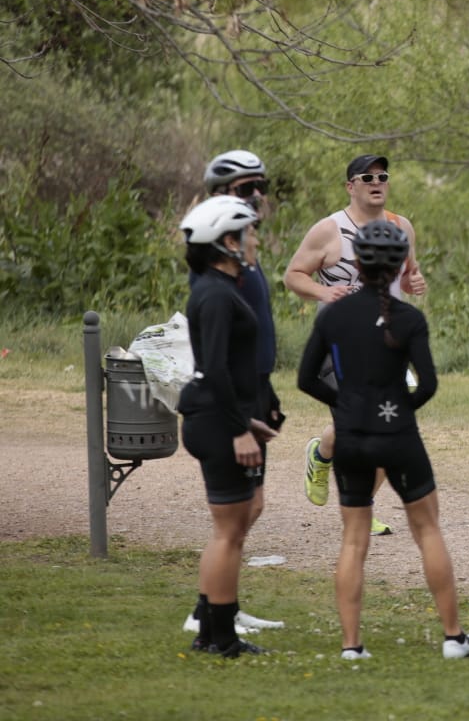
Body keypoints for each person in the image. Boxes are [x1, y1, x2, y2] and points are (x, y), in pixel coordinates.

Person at [296, 219, 469, 661]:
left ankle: (351, 646)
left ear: (356, 262)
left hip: (352, 438)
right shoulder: (409, 318)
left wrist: (344, 410)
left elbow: (306, 379)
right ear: (401, 267)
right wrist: (398, 411)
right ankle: (453, 638)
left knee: (354, 539)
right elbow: (429, 385)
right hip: (398, 436)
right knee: (428, 530)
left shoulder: (333, 314)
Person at [284, 153, 427, 536]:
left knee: (387, 423)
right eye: (368, 177)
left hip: (387, 341)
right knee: (359, 422)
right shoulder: (328, 230)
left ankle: (364, 507)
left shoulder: (401, 226)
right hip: (340, 343)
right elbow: (293, 275)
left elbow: (409, 272)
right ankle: (322, 453)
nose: (377, 181)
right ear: (351, 186)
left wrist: (414, 283)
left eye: (383, 176)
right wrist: (324, 292)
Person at [182, 150, 287, 641]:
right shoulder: (218, 286)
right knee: (230, 524)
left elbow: (244, 350)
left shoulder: (238, 270)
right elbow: (216, 364)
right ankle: (211, 621)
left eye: (258, 187)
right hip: (226, 410)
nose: (257, 200)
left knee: (247, 511)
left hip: (248, 395)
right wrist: (241, 424)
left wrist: (263, 395)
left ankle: (221, 613)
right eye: (246, 190)